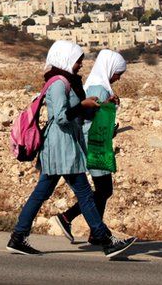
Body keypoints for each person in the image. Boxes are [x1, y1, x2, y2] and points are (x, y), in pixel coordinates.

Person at [7, 41, 136, 259]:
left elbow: (79, 116)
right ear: (65, 59)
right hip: (61, 146)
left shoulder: (67, 81)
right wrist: (82, 106)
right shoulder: (58, 83)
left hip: (65, 146)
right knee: (84, 193)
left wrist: (101, 106)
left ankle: (18, 237)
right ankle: (105, 240)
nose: (80, 66)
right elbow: (60, 117)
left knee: (42, 193)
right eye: (77, 62)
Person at [53, 49, 127, 245]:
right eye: (118, 73)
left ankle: (88, 228)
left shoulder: (100, 87)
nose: (118, 77)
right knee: (103, 189)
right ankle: (70, 219)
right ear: (110, 69)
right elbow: (89, 119)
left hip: (96, 142)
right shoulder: (99, 88)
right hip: (94, 144)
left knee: (104, 189)